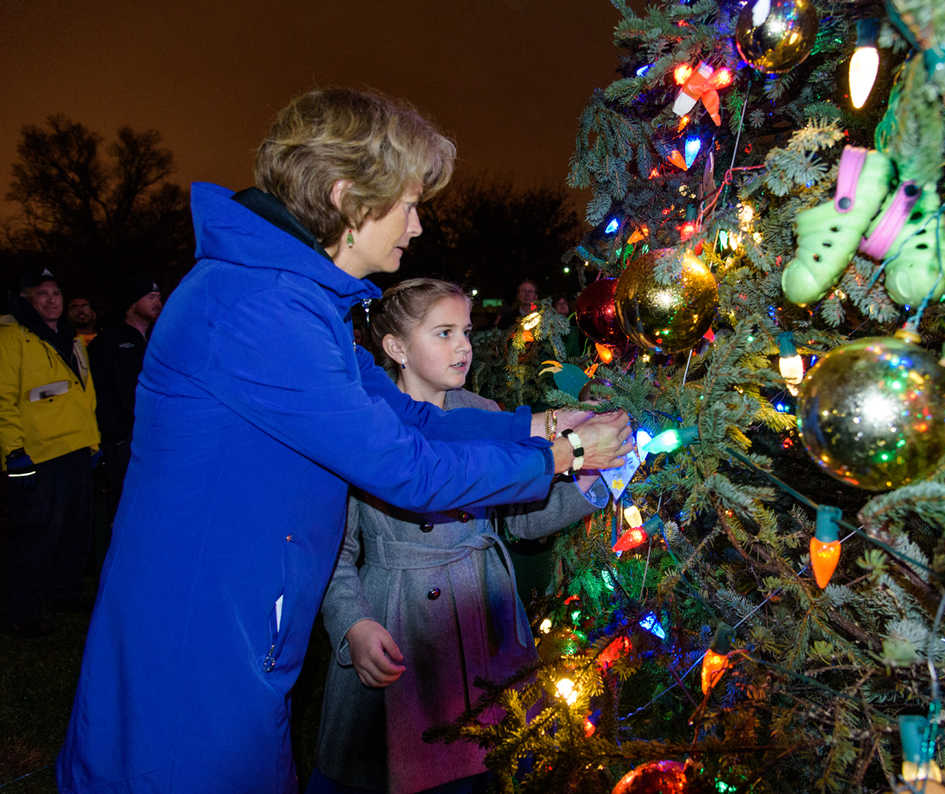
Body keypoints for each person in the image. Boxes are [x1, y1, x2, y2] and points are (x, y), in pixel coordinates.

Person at [58, 88, 632, 794]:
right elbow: (405, 467)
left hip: (241, 636)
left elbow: (410, 419)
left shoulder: (302, 305)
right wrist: (564, 457)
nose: (417, 227)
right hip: (196, 646)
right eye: (408, 204)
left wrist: (535, 426)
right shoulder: (260, 309)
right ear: (348, 198)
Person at [310, 279, 610, 794]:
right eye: (444, 332)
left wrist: (588, 485)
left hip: (482, 614)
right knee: (401, 769)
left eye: (466, 331)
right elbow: (336, 553)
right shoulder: (367, 424)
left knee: (487, 765)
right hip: (401, 621)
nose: (464, 346)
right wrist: (354, 626)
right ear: (396, 348)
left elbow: (519, 519)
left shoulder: (487, 414)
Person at [0, 266, 100, 636]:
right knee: (35, 535)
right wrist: (13, 452)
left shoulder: (71, 337)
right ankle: (22, 611)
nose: (52, 300)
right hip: (39, 454)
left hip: (76, 450)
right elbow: (3, 399)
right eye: (42, 294)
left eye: (56, 292)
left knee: (74, 532)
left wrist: (92, 443)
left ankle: (63, 594)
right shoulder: (12, 338)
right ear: (25, 299)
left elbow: (84, 392)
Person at [88, 274, 162, 514]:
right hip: (122, 441)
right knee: (125, 504)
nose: (157, 302)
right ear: (132, 303)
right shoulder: (108, 341)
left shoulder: (158, 338)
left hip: (155, 435)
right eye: (150, 297)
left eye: (159, 297)